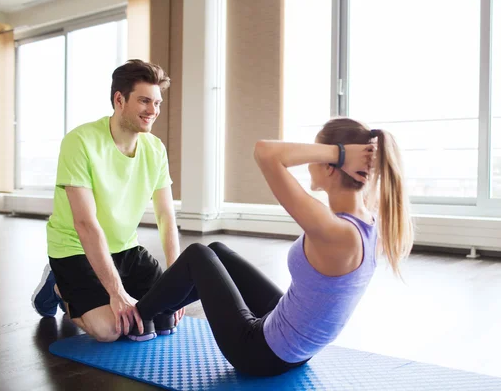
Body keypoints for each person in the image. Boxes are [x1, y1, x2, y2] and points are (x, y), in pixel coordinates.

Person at [130, 117, 414, 376]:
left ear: (330, 166)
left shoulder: (335, 232)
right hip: (298, 346)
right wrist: (340, 154)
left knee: (197, 255)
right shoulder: (368, 221)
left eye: (317, 153)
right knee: (217, 250)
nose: (309, 161)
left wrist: (337, 152)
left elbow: (265, 152)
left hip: (260, 353)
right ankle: (164, 311)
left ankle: (136, 319)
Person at [31, 59, 185, 342]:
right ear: (119, 99)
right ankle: (57, 286)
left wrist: (176, 282)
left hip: (126, 248)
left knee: (164, 319)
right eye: (144, 101)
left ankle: (110, 286)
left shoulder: (155, 148)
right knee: (110, 330)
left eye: (158, 103)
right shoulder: (80, 142)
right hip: (75, 248)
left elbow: (166, 216)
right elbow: (85, 223)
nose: (153, 111)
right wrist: (116, 293)